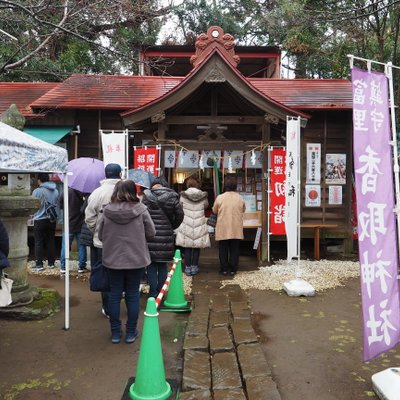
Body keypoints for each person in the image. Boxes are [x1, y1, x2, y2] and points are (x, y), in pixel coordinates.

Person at [99, 180, 155, 344]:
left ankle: (116, 333)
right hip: (135, 258)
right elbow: (152, 232)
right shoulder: (141, 209)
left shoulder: (107, 210)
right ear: (133, 191)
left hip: (112, 259)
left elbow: (101, 235)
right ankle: (131, 332)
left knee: (114, 295)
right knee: (132, 295)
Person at [85, 163, 122, 317]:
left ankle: (107, 307)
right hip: (122, 242)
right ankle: (117, 303)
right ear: (120, 174)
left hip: (101, 242)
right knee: (120, 273)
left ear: (105, 175)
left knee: (104, 274)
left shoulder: (97, 192)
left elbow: (89, 217)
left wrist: (97, 231)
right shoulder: (125, 192)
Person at [142, 176, 184, 298]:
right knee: (162, 265)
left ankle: (152, 292)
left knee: (151, 265)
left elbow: (142, 216)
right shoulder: (173, 197)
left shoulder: (146, 197)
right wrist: (171, 226)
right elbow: (180, 215)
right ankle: (161, 292)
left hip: (150, 235)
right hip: (166, 236)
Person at [175, 176, 210, 276]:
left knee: (188, 246)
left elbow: (180, 206)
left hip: (187, 222)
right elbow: (206, 205)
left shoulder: (183, 195)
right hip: (199, 222)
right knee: (196, 246)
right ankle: (194, 267)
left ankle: (187, 267)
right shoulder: (203, 196)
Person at [212, 174, 245, 276]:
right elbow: (243, 209)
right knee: (235, 248)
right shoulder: (240, 198)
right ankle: (233, 268)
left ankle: (224, 268)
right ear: (235, 186)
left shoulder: (220, 197)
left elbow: (214, 210)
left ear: (225, 185)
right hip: (236, 227)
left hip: (223, 226)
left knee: (223, 248)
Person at [32, 173, 60, 271]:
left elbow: (33, 206)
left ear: (39, 180)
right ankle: (51, 263)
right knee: (50, 240)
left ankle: (39, 264)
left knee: (39, 242)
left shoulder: (37, 191)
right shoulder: (56, 191)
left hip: (39, 220)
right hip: (51, 220)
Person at [59, 188, 87, 274]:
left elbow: (60, 205)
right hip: (80, 224)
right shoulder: (83, 192)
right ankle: (81, 267)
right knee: (81, 246)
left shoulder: (65, 191)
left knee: (65, 246)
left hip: (68, 224)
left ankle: (63, 267)